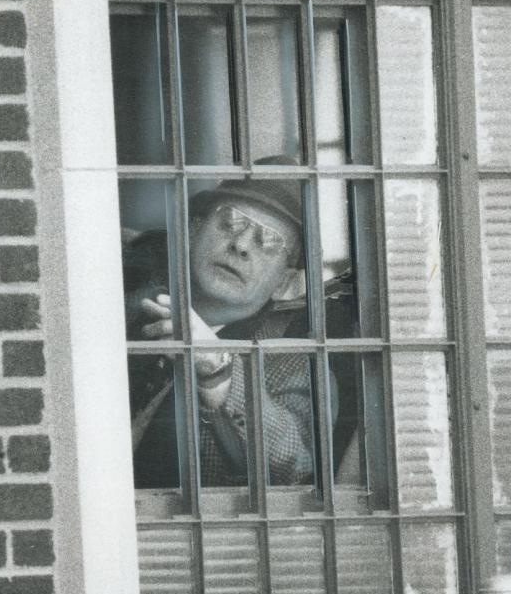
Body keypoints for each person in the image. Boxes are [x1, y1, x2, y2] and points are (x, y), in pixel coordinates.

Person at [124, 162, 347, 489]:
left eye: (268, 242)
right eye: (230, 221)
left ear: (284, 284)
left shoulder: (300, 367)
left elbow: (294, 470)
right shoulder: (122, 295)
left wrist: (218, 372)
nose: (241, 244)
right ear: (193, 231)